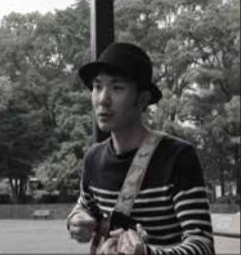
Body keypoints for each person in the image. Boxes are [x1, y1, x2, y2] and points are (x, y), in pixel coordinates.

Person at [67, 42, 214, 255]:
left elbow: (203, 245)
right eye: (97, 87)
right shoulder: (93, 158)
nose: (103, 100)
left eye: (117, 88)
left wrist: (146, 253)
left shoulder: (178, 157)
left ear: (143, 99)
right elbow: (84, 206)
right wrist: (76, 220)